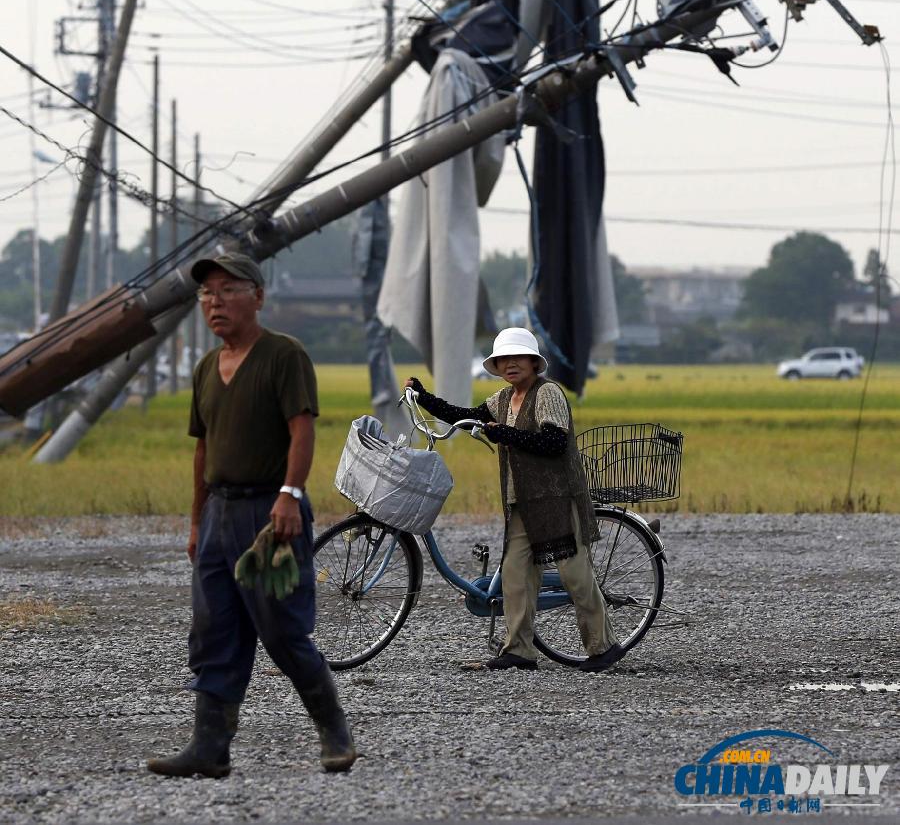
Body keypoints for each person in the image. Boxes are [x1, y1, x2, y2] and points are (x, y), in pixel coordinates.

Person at [147, 252, 356, 779]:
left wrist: (290, 494)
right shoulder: (203, 368)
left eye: (226, 290)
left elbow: (302, 429)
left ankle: (335, 731)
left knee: (281, 628)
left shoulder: (284, 355)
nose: (214, 302)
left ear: (257, 296)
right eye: (205, 294)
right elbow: (203, 450)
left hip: (270, 511)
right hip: (219, 511)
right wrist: (197, 522)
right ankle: (209, 748)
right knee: (213, 629)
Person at [405, 327, 624, 673]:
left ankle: (604, 646)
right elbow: (465, 416)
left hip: (555, 497)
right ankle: (519, 650)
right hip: (521, 500)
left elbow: (553, 443)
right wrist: (423, 396)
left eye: (517, 357)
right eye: (503, 359)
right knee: (515, 575)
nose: (510, 364)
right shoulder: (503, 400)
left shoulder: (548, 393)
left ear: (534, 363)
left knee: (575, 574)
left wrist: (505, 433)